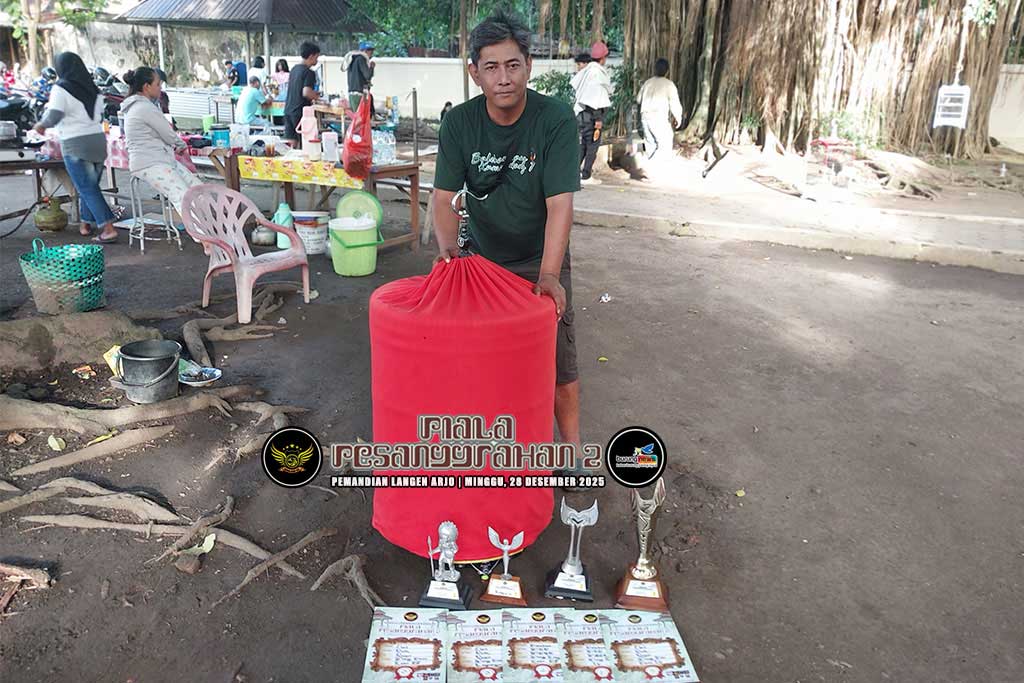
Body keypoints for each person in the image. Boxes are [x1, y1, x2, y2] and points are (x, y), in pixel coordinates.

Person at [431, 10, 587, 486]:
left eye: (513, 65)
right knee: (481, 361)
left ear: (529, 65)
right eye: (492, 67)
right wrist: (448, 254)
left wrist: (550, 274)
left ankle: (572, 455)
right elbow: (443, 196)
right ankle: (493, 451)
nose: (504, 78)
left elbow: (560, 204)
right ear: (474, 72)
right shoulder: (459, 123)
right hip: (481, 261)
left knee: (559, 365)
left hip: (540, 258)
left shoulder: (555, 120)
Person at [33, 52, 118, 242]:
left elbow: (54, 115)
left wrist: (41, 125)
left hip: (76, 143)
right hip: (98, 142)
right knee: (90, 186)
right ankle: (86, 224)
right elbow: (100, 116)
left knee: (86, 187)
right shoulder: (94, 89)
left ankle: (108, 229)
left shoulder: (61, 87)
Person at [121, 67, 201, 215]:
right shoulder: (144, 107)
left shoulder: (136, 106)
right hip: (150, 162)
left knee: (198, 190)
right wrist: (181, 145)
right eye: (158, 84)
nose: (160, 88)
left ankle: (209, 225)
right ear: (147, 86)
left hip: (159, 159)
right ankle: (199, 230)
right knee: (183, 197)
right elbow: (168, 134)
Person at [570, 41, 612, 186]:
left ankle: (575, 173)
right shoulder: (596, 73)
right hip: (593, 116)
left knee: (584, 145)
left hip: (583, 115)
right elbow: (595, 99)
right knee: (592, 146)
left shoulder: (588, 71)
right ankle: (586, 175)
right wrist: (598, 118)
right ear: (603, 58)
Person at [637, 58, 683, 163]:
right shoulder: (669, 84)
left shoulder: (648, 82)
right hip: (658, 118)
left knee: (650, 143)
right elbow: (674, 103)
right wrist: (678, 118)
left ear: (655, 69)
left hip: (644, 117)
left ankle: (650, 165)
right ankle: (654, 165)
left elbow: (638, 99)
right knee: (666, 142)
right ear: (667, 71)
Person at [284, 41, 321, 143]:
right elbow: (306, 92)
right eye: (316, 57)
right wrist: (318, 97)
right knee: (304, 142)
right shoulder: (309, 72)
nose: (317, 60)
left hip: (288, 110)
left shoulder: (294, 69)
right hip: (301, 113)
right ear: (311, 56)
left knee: (291, 142)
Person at [342, 40, 375, 111]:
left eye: (372, 50)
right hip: (359, 93)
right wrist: (372, 67)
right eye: (369, 50)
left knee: (355, 114)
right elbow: (367, 75)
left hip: (352, 92)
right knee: (360, 115)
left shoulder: (353, 59)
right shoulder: (361, 59)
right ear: (364, 51)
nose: (371, 52)